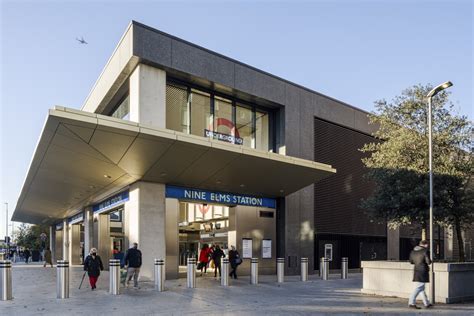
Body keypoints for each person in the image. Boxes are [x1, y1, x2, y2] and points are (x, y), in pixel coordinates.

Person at [408, 240, 433, 309]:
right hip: (423, 271)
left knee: (421, 288)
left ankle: (426, 303)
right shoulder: (425, 251)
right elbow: (428, 262)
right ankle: (411, 303)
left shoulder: (413, 251)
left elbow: (411, 262)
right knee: (419, 287)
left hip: (416, 270)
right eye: (427, 245)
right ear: (426, 245)